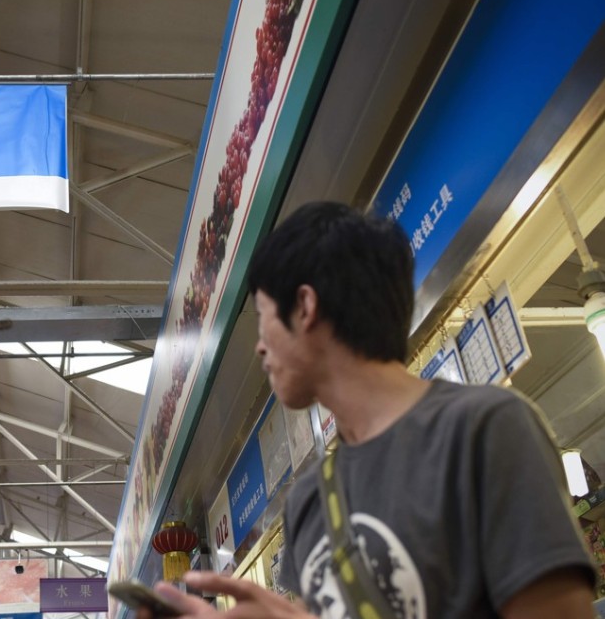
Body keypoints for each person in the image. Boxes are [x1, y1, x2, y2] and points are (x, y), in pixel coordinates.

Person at [141, 201, 597, 618]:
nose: (260, 348)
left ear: (304, 307)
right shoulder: (310, 500)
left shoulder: (484, 430)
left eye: (263, 318)